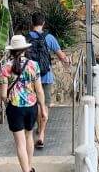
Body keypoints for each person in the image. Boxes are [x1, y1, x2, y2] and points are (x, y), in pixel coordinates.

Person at [0, 34, 47, 172]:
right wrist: (43, 108)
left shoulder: (6, 67)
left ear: (12, 51)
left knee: (20, 143)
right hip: (31, 107)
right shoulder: (34, 65)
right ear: (25, 49)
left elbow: (4, 95)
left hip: (15, 108)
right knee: (29, 137)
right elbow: (39, 90)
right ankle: (29, 167)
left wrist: (7, 100)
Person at [27, 10, 71, 149]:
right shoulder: (49, 37)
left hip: (31, 76)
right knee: (44, 104)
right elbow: (61, 56)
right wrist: (67, 61)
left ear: (32, 23)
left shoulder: (26, 38)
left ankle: (35, 128)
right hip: (46, 76)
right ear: (43, 23)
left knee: (34, 104)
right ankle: (41, 134)